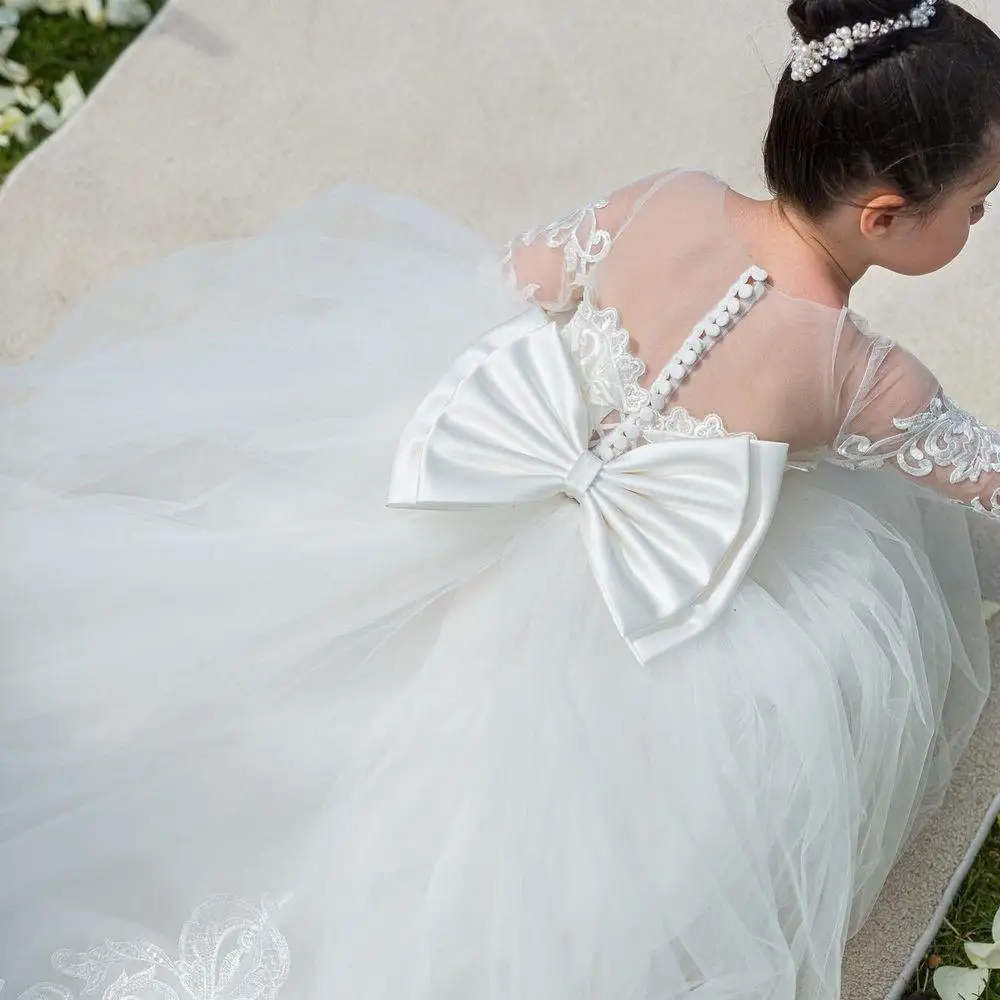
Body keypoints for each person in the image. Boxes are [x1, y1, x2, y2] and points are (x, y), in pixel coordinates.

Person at [2, 0, 999, 996]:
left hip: (481, 476)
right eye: (975, 205)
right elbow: (980, 476)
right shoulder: (860, 373)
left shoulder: (672, 195)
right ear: (883, 213)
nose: (978, 220)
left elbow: (518, 274)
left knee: (295, 660)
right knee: (516, 839)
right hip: (633, 610)